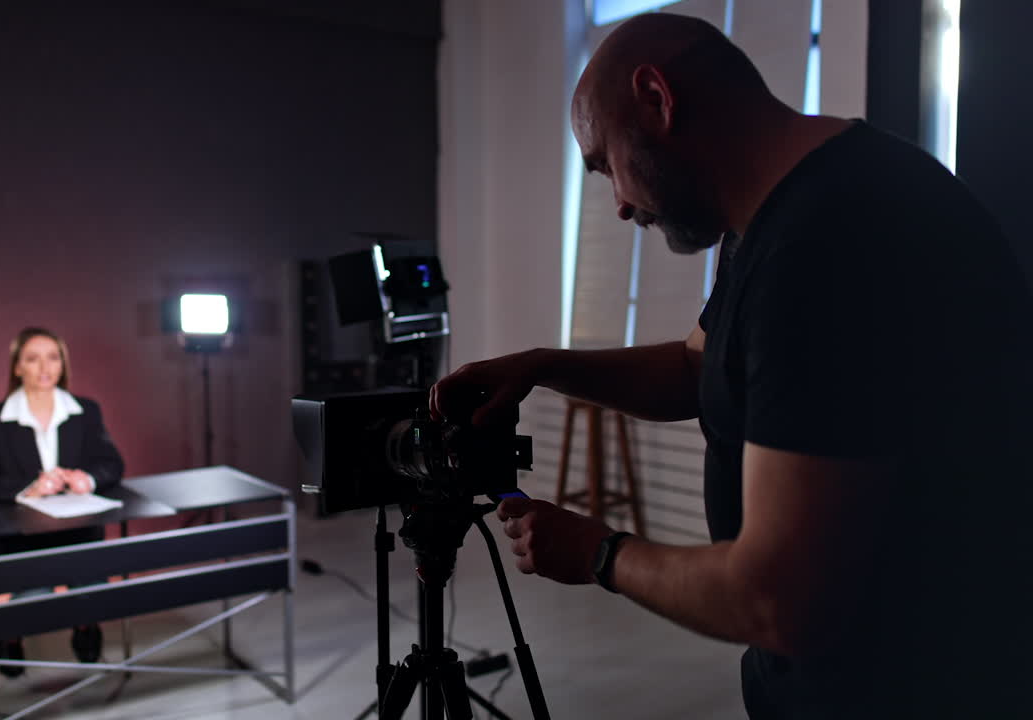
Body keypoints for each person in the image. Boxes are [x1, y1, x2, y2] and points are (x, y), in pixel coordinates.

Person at [430, 13, 1033, 719]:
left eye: (606, 165)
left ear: (656, 98)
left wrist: (599, 554)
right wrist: (543, 366)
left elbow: (779, 599)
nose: (619, 203)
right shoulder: (781, 215)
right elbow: (699, 368)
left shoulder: (826, 242)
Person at [0, 327, 125, 677]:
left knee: (89, 581)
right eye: (32, 359)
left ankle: (85, 626)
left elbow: (112, 463)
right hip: (22, 536)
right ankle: (10, 633)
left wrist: (88, 478)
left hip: (76, 529)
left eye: (53, 357)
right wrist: (29, 488)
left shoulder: (85, 411)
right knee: (39, 584)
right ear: (17, 367)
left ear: (63, 364)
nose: (44, 367)